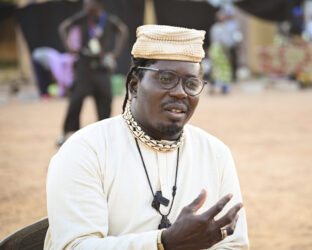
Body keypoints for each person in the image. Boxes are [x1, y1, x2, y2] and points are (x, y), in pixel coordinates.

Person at [45, 25, 249, 249]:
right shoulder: (85, 150)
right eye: (166, 79)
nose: (181, 92)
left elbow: (234, 244)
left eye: (191, 83)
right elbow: (75, 246)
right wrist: (164, 243)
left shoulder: (215, 154)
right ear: (134, 85)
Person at [56, 0, 128, 146]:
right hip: (84, 67)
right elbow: (63, 27)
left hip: (102, 68)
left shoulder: (108, 20)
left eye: (88, 3)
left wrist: (116, 53)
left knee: (105, 99)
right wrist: (68, 47)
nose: (85, 6)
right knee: (76, 99)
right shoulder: (82, 18)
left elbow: (123, 30)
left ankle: (104, 135)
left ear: (97, 5)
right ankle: (67, 133)